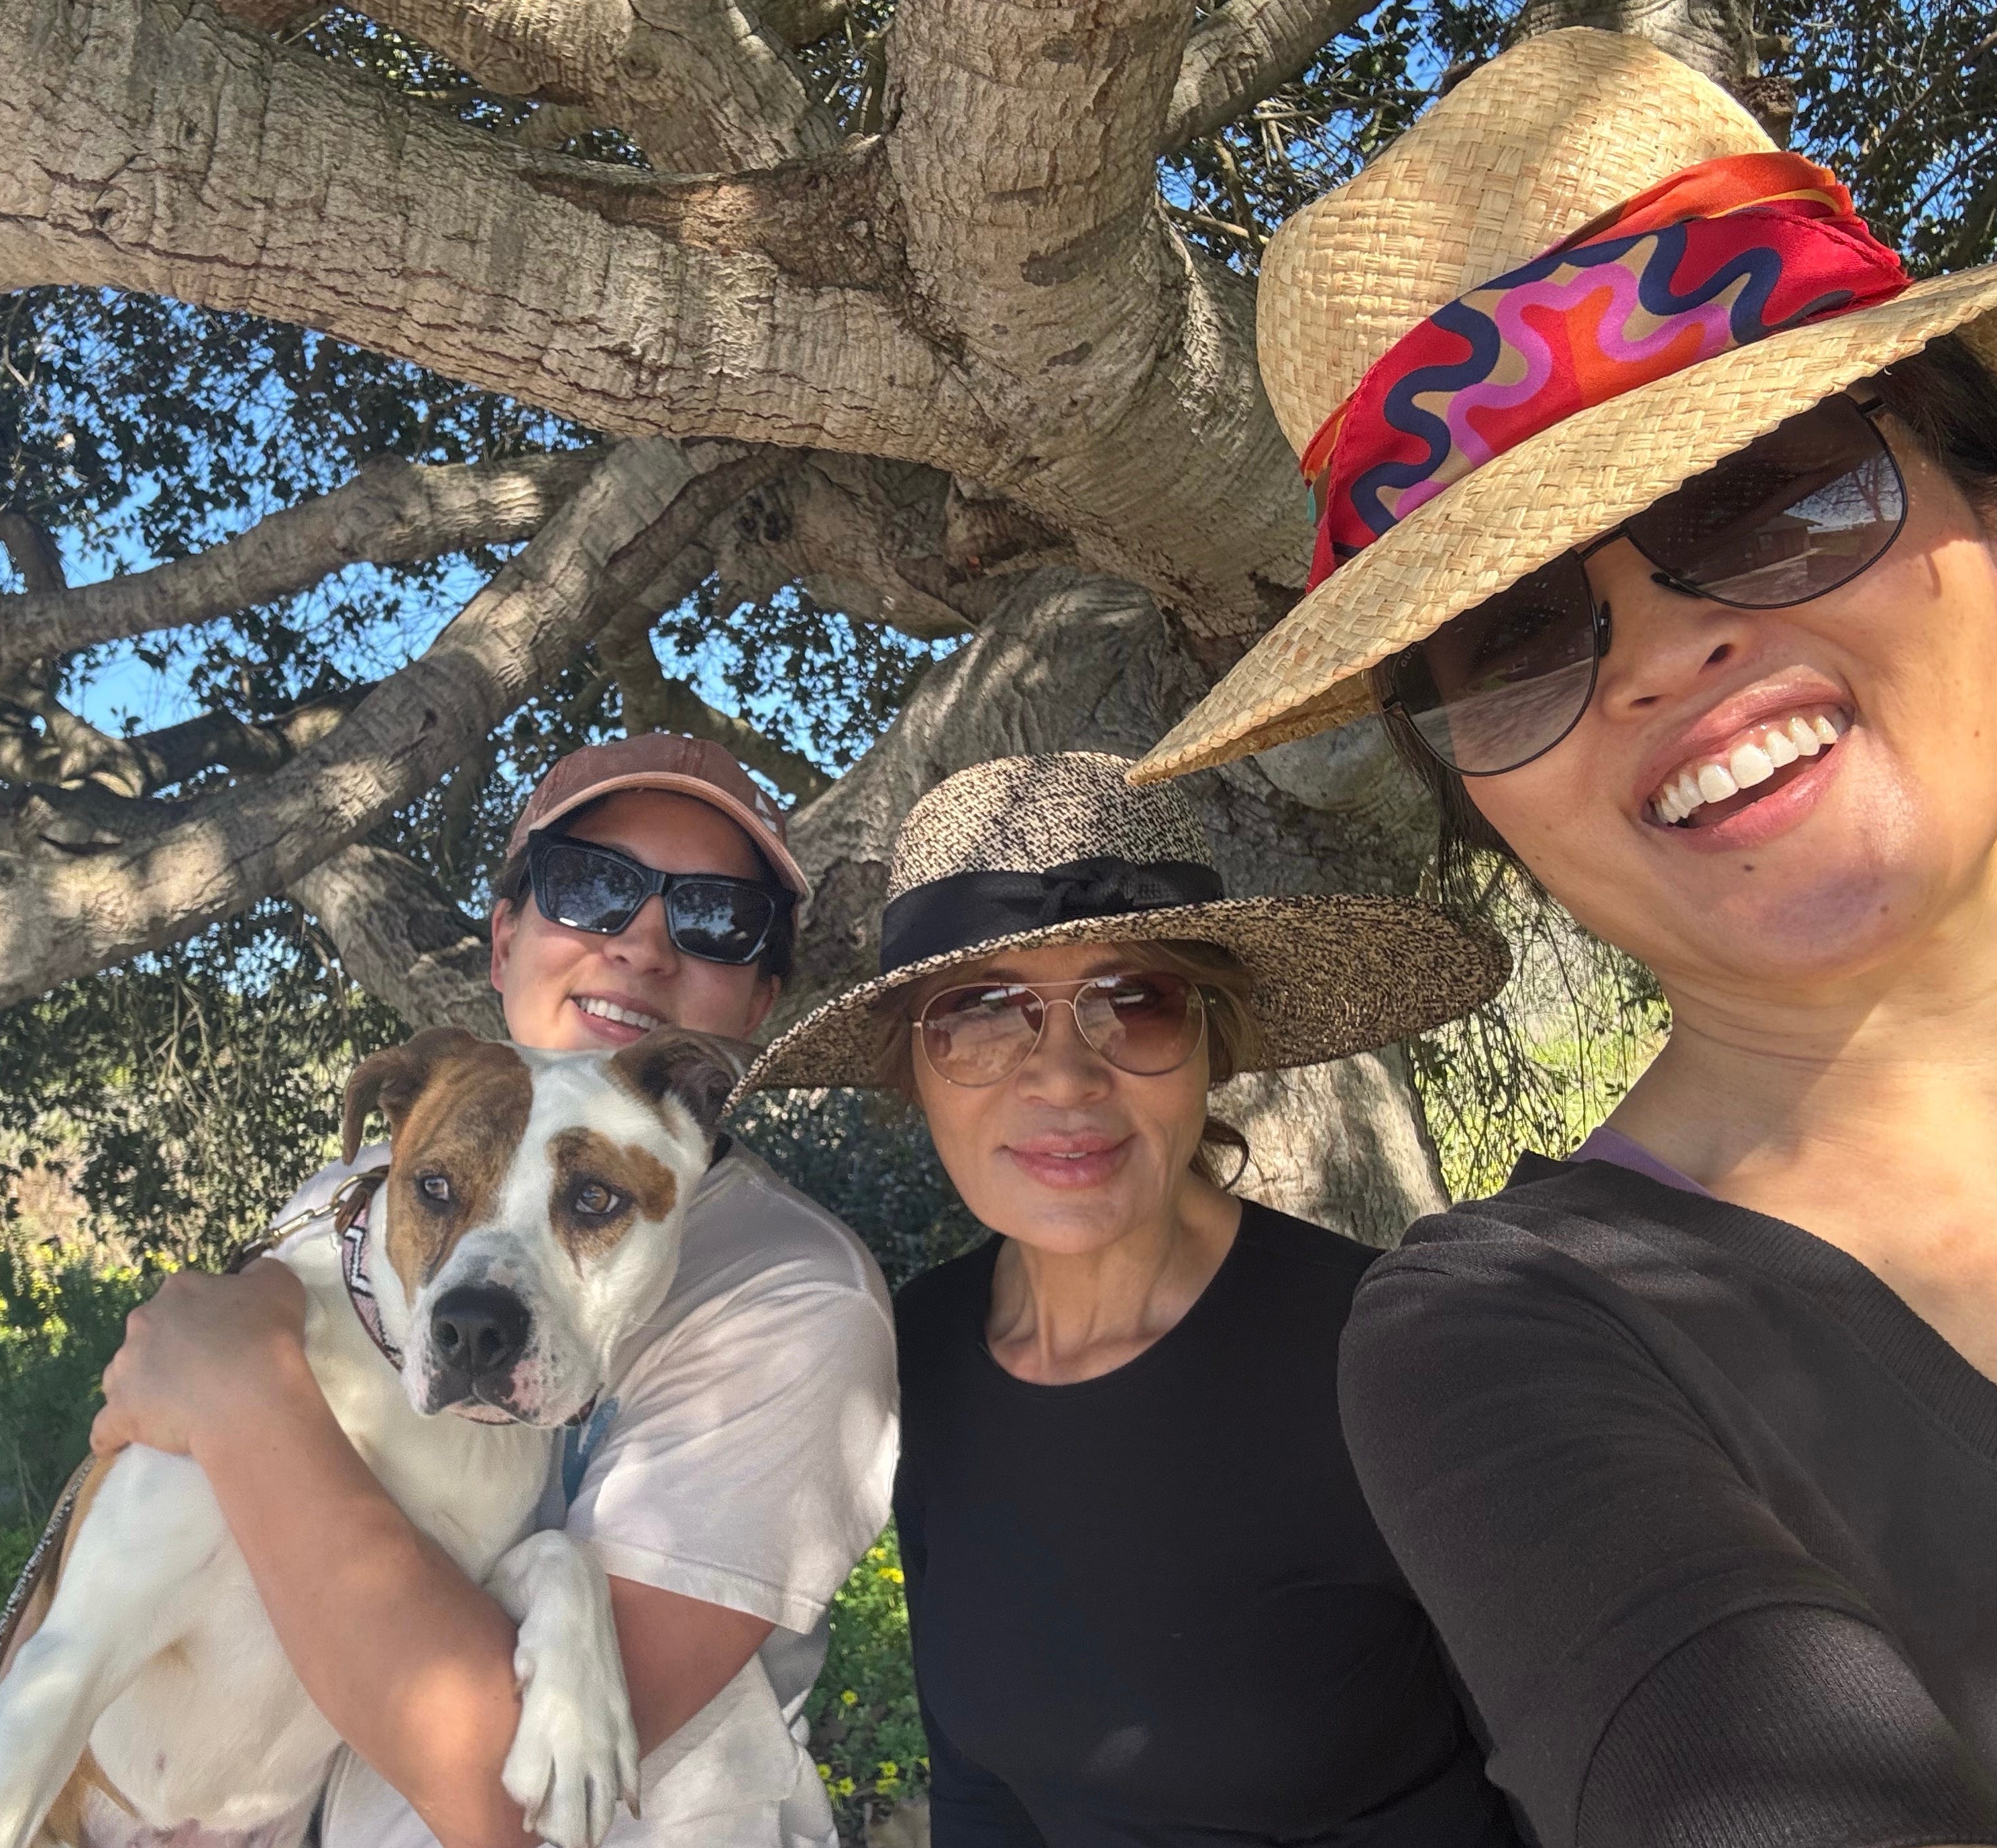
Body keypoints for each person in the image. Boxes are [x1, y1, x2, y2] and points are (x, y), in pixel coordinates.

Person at [1133, 27, 1997, 1848]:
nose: (1667, 655)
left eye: (1769, 493)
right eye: (1514, 640)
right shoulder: (1508, 1336)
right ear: (1478, 800)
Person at [87, 732, 900, 1848]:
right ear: (505, 939)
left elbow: (506, 1799)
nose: (643, 944)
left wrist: (240, 1392)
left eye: (717, 917)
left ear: (759, 1001)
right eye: (592, 886)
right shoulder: (351, 1200)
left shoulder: (791, 1302)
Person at [739, 753, 1517, 1847]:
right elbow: (981, 1787)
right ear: (913, 1074)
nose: (1065, 1079)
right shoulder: (919, 1352)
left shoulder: (1395, 1353)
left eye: (1135, 1003)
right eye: (980, 1013)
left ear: (1212, 1043)